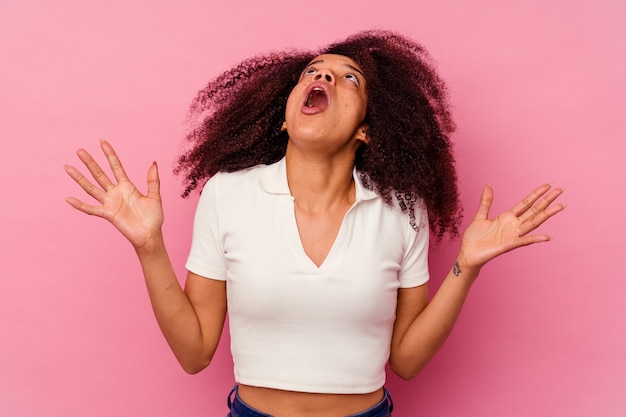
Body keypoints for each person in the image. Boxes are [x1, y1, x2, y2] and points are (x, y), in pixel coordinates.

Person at [64, 30, 565, 417]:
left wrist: (465, 267)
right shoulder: (228, 193)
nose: (321, 78)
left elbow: (407, 362)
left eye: (349, 78)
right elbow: (194, 352)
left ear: (368, 127)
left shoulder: (404, 210)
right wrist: (149, 245)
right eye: (312, 71)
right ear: (285, 117)